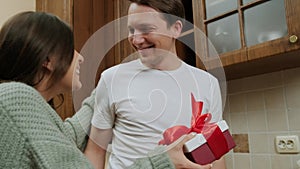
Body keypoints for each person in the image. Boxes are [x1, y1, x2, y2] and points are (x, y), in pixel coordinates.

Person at [0, 11, 212, 169]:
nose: (80, 57)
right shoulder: (16, 99)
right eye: (71, 49)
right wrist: (162, 161)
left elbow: (68, 134)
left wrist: (110, 84)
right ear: (48, 60)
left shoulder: (22, 107)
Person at [85, 0, 226, 169]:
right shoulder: (111, 79)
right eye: (131, 30)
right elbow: (95, 151)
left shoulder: (208, 84)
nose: (136, 39)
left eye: (146, 29)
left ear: (176, 28)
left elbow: (216, 154)